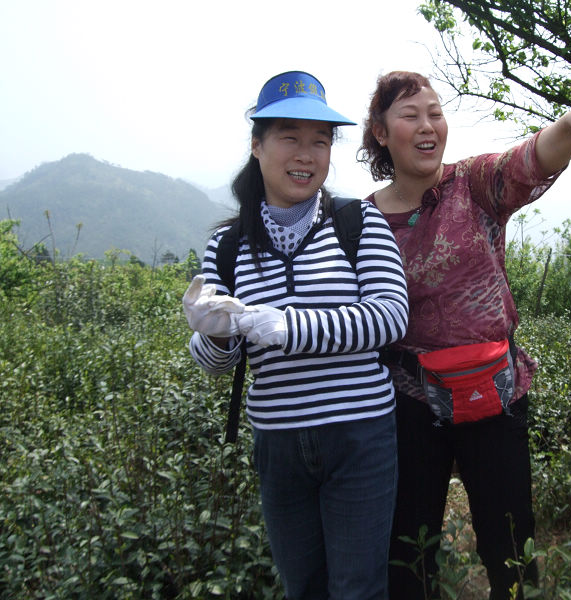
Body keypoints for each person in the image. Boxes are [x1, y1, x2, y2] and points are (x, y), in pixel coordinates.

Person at [357, 71, 571, 600]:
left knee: (510, 544)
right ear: (381, 132)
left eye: (434, 113)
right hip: (409, 403)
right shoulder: (360, 223)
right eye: (410, 115)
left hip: (493, 393)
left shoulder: (473, 184)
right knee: (409, 548)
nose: (427, 125)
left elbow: (527, 160)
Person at [183, 70, 409, 600]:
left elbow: (389, 315)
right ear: (257, 145)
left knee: (358, 588)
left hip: (360, 435)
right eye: (289, 137)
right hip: (278, 443)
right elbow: (217, 359)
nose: (306, 154)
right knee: (302, 586)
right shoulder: (228, 245)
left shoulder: (359, 223)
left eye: (320, 140)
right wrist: (215, 334)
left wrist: (285, 326)